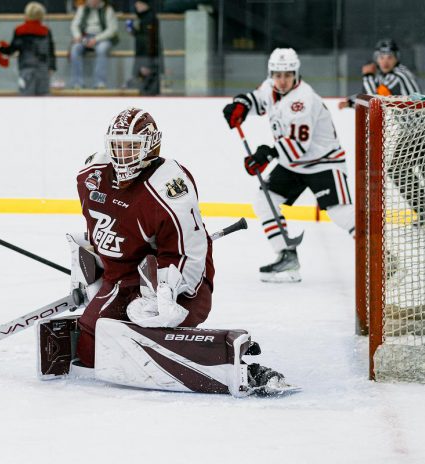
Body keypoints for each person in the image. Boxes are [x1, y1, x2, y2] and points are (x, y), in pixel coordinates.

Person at [72, 107, 292, 395]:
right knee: (92, 340)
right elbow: (103, 229)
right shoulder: (91, 175)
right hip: (122, 278)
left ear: (151, 145)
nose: (121, 156)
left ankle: (223, 364)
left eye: (131, 147)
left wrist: (168, 295)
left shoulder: (168, 186)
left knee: (106, 329)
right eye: (117, 146)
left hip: (176, 281)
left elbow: (191, 252)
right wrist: (94, 264)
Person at [223, 48, 354, 283]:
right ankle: (286, 256)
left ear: (296, 74)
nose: (282, 80)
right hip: (294, 163)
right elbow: (257, 99)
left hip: (324, 162)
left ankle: (384, 258)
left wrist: (266, 154)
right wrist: (241, 105)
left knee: (341, 214)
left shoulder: (303, 100)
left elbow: (298, 147)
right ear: (271, 73)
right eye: (277, 74)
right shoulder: (270, 87)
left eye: (287, 75)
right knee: (265, 200)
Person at [339, 39, 425, 226]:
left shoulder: (398, 75)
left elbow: (377, 96)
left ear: (396, 58)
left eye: (390, 57)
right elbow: (371, 94)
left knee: (400, 171)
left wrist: (366, 77)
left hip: (423, 129)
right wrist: (350, 101)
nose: (385, 61)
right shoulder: (385, 77)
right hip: (421, 130)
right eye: (382, 57)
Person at [0, 2, 56, 96]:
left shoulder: (20, 30)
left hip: (26, 69)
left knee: (26, 99)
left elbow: (12, 50)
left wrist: (0, 48)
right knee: (44, 99)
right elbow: (51, 51)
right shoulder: (46, 31)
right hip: (43, 70)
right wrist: (52, 67)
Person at [69, 0, 118, 89]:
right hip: (85, 36)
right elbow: (74, 25)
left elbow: (112, 30)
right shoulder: (82, 9)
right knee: (75, 49)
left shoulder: (108, 10)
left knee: (102, 49)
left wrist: (96, 39)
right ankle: (77, 83)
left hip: (102, 37)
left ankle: (100, 82)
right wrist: (78, 36)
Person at [125, 0, 162, 95]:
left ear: (146, 5)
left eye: (139, 3)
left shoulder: (149, 19)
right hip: (144, 59)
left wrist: (147, 64)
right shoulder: (144, 18)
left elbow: (150, 43)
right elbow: (142, 37)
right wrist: (133, 31)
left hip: (148, 61)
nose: (136, 5)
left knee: (148, 91)